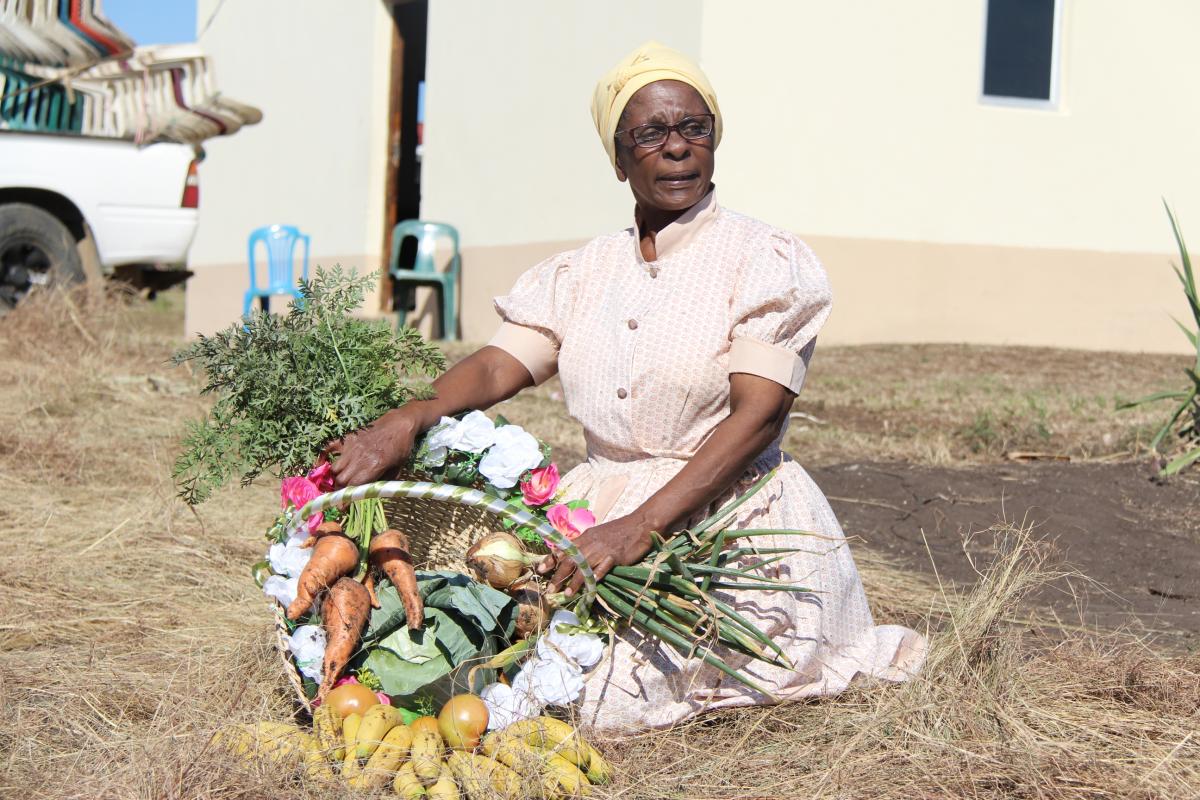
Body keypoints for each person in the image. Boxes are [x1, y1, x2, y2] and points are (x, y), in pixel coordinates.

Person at [329, 41, 925, 730]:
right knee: (509, 657)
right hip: (599, 509)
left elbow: (757, 418)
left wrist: (639, 528)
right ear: (618, 159)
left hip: (727, 515)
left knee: (593, 695)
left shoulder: (763, 260)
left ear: (714, 140)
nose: (676, 148)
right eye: (650, 133)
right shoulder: (584, 272)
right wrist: (412, 415)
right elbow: (499, 365)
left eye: (693, 128)